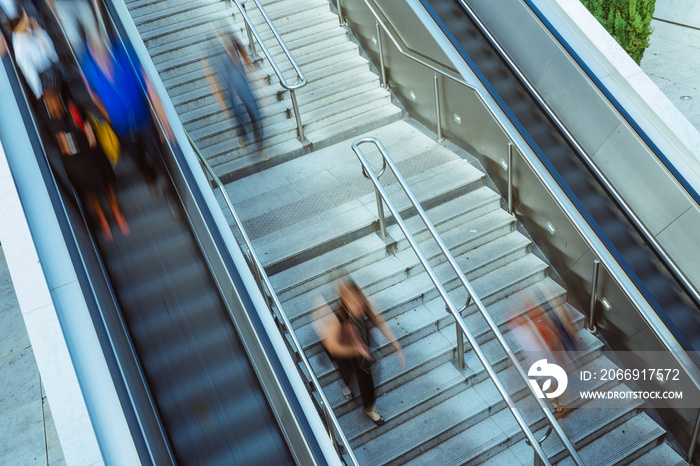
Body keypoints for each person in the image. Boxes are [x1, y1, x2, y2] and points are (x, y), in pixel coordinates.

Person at [78, 32, 173, 193]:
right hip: (121, 126)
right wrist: (108, 116)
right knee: (137, 156)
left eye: (102, 50)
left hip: (143, 118)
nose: (101, 55)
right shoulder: (89, 67)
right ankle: (148, 174)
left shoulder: (123, 54)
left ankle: (169, 190)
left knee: (157, 153)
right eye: (96, 52)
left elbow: (147, 82)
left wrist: (161, 118)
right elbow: (93, 96)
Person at [313, 278, 405, 426]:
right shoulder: (335, 317)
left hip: (359, 342)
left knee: (366, 375)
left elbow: (379, 321)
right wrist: (355, 348)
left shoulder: (363, 303)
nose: (358, 304)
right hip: (340, 343)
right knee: (346, 369)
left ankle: (369, 409)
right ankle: (347, 385)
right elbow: (333, 347)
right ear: (344, 300)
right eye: (352, 300)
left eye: (358, 299)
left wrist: (396, 345)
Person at [45, 88, 129, 241]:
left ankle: (110, 215)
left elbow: (85, 126)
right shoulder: (57, 120)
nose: (55, 106)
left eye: (55, 102)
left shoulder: (68, 112)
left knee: (99, 187)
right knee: (97, 188)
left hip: (85, 158)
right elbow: (66, 146)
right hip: (82, 159)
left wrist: (86, 134)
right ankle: (110, 216)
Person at [204, 26, 267, 160]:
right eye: (219, 36)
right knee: (238, 115)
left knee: (255, 113)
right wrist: (223, 105)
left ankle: (259, 149)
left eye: (223, 36)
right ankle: (243, 135)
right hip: (227, 89)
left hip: (243, 84)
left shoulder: (234, 44)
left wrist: (259, 77)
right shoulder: (210, 53)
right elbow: (211, 78)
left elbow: (247, 60)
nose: (222, 39)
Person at [10, 7, 61, 102]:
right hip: (43, 75)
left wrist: (38, 31)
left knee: (61, 99)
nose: (28, 19)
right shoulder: (19, 46)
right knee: (54, 103)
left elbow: (48, 48)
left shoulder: (32, 30)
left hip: (52, 67)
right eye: (25, 18)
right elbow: (28, 69)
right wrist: (38, 89)